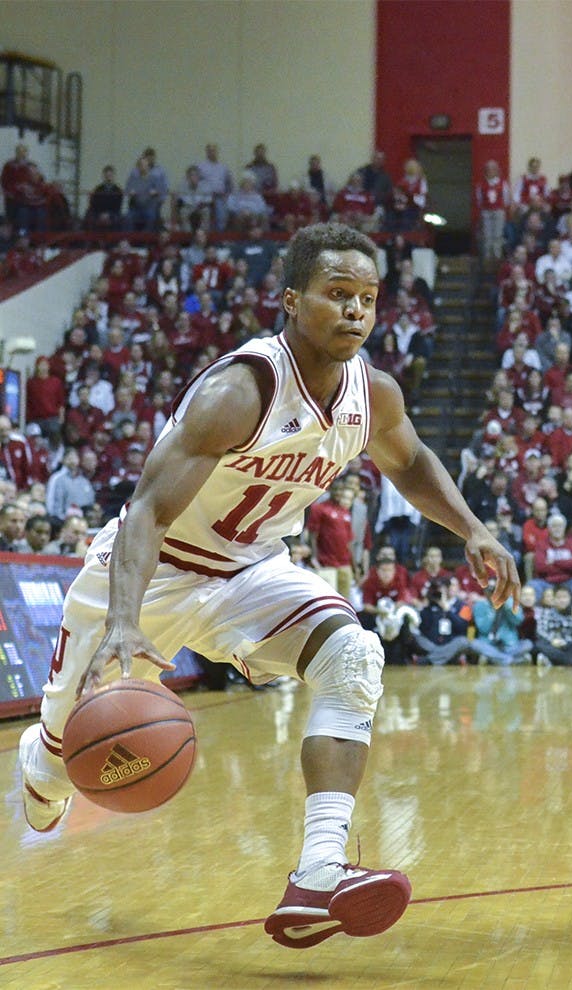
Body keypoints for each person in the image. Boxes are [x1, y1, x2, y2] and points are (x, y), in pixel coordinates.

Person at [16, 222, 519, 948]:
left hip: (249, 571)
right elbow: (147, 512)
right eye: (336, 294)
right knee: (71, 758)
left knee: (354, 655)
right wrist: (125, 623)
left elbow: (410, 466)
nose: (354, 310)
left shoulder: (371, 395)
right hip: (150, 573)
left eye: (367, 298)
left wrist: (472, 528)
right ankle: (43, 761)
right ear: (290, 300)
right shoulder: (239, 390)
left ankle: (318, 871)